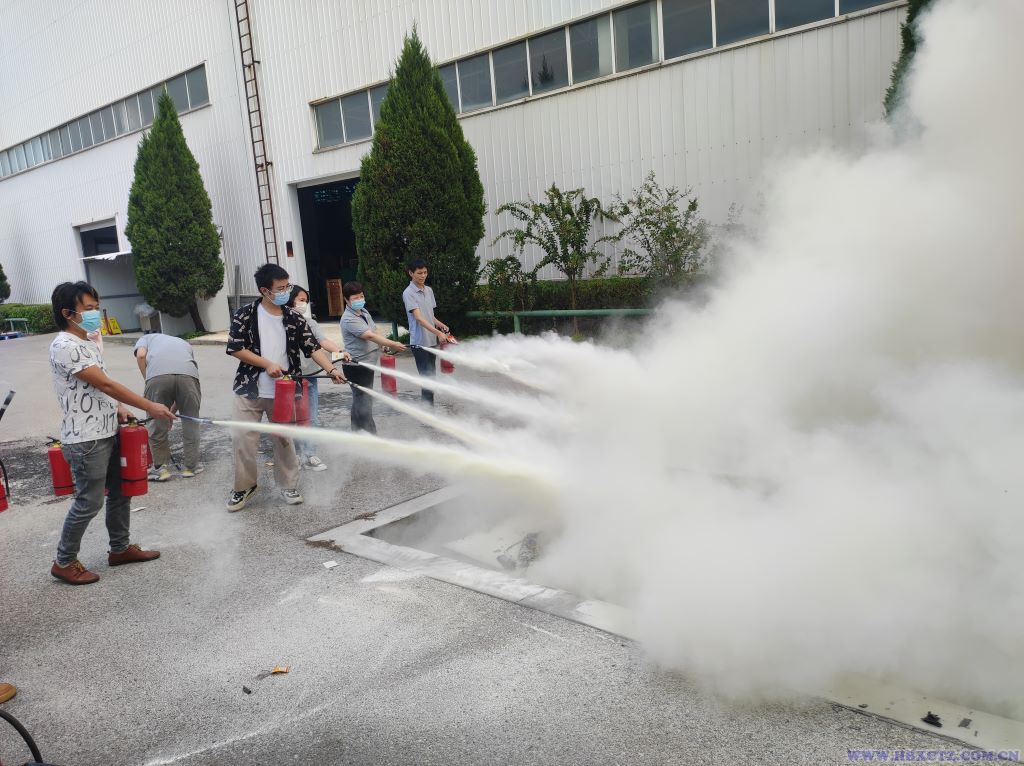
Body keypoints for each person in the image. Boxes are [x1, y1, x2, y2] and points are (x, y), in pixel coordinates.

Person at [48, 281, 175, 586]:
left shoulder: (87, 342)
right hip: (86, 438)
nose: (95, 314)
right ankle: (63, 561)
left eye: (96, 307)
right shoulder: (65, 345)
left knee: (121, 491)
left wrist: (119, 408)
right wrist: (149, 405)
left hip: (107, 429)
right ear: (68, 313)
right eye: (88, 309)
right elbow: (105, 383)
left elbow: (99, 387)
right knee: (89, 501)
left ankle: (120, 548)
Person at [225, 264, 346, 512]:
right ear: (265, 290)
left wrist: (331, 369)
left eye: (287, 286)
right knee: (243, 440)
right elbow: (235, 348)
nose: (286, 292)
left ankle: (288, 485)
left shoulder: (294, 318)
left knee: (284, 440)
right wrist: (267, 364)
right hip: (249, 389)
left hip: (284, 390)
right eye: (280, 288)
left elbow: (313, 348)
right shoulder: (245, 315)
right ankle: (244, 487)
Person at [286, 285, 349, 471]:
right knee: (292, 418)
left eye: (305, 301)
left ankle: (310, 454)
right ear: (290, 299)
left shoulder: (310, 323)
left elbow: (322, 342)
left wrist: (339, 351)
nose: (304, 304)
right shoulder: (281, 323)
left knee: (311, 417)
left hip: (310, 377)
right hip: (289, 378)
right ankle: (296, 455)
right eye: (300, 300)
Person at [133, 332, 202, 480]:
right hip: (189, 377)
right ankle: (191, 467)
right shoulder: (183, 342)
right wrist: (171, 412)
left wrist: (148, 378)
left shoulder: (146, 338)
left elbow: (141, 355)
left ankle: (160, 469)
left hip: (157, 377)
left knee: (156, 423)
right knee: (191, 422)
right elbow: (179, 384)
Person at [340, 281, 406, 434]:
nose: (360, 300)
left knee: (362, 399)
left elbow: (374, 331)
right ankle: (369, 435)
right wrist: (393, 343)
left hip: (366, 363)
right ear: (346, 300)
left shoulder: (363, 312)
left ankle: (358, 433)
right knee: (363, 401)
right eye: (355, 298)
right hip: (356, 365)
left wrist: (383, 345)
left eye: (361, 296)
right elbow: (369, 335)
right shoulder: (348, 318)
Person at [402, 259, 450, 406]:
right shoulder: (408, 293)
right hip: (419, 343)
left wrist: (441, 325)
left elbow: (429, 315)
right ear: (411, 273)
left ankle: (429, 409)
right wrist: (439, 333)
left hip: (431, 341)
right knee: (426, 379)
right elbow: (419, 318)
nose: (423, 276)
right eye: (419, 273)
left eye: (425, 272)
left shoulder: (429, 290)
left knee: (431, 378)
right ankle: (427, 411)